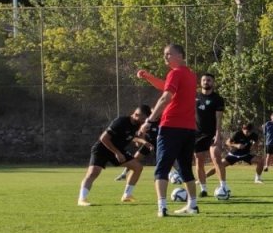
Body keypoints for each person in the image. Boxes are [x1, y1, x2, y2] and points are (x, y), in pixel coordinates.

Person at [137, 44, 199, 216]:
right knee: (185, 168)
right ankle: (192, 205)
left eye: (169, 54)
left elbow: (166, 97)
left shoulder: (175, 73)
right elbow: (166, 86)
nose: (165, 57)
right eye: (164, 54)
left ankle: (162, 207)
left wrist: (149, 120)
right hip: (188, 129)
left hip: (171, 127)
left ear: (180, 55)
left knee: (162, 168)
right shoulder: (191, 75)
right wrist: (149, 77)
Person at [78, 104, 153, 206]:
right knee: (93, 172)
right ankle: (82, 199)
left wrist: (144, 142)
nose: (144, 121)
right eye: (143, 118)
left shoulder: (137, 125)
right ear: (136, 114)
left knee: (138, 167)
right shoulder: (121, 121)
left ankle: (127, 195)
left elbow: (132, 137)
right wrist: (117, 153)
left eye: (146, 119)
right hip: (102, 149)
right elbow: (103, 138)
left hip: (118, 150)